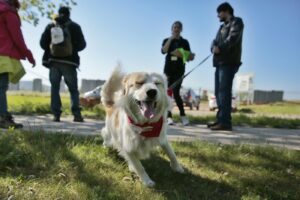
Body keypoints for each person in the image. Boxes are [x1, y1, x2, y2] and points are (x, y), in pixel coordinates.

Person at [40, 6, 86, 122]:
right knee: (73, 89)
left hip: (54, 62)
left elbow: (42, 43)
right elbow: (82, 45)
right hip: (69, 62)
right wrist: (72, 48)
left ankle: (56, 115)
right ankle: (76, 115)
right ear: (69, 14)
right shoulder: (75, 26)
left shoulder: (51, 25)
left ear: (59, 13)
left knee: (55, 88)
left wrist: (52, 50)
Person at [208, 2, 244, 131]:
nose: (218, 16)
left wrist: (220, 48)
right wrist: (213, 47)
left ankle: (225, 122)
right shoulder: (222, 27)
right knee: (219, 92)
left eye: (219, 13)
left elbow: (233, 38)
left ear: (225, 11)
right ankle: (220, 120)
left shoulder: (237, 22)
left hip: (229, 62)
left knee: (224, 91)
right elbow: (214, 42)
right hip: (219, 63)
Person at [0, 0, 36, 129]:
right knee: (1, 87)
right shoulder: (9, 12)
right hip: (3, 55)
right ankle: (2, 117)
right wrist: (28, 54)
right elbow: (17, 36)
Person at [162, 21, 195, 126]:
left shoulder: (185, 42)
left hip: (179, 70)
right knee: (168, 93)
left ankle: (183, 116)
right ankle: (169, 117)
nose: (176, 29)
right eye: (174, 27)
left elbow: (189, 57)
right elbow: (163, 50)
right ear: (172, 29)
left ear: (181, 29)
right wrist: (171, 39)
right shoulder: (167, 40)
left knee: (176, 92)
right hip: (168, 70)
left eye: (178, 27)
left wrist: (185, 55)